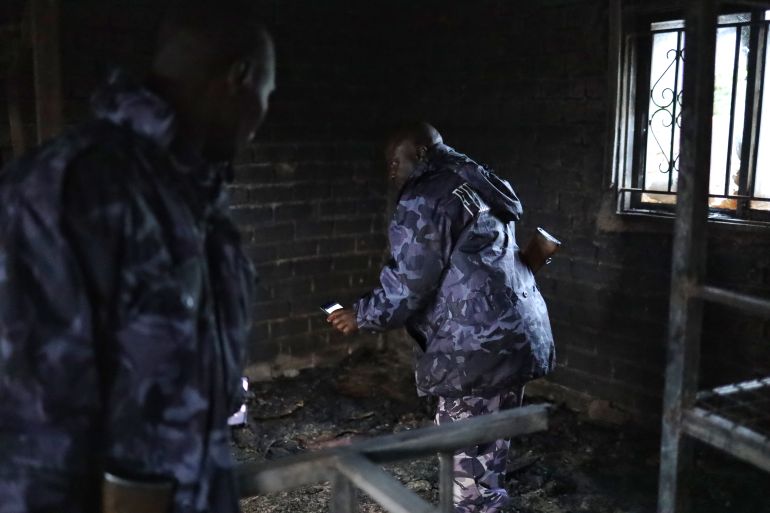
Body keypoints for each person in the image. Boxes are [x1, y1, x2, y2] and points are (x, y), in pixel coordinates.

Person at [0, 2, 275, 512]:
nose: (259, 120)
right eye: (266, 94)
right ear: (239, 78)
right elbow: (28, 441)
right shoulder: (67, 191)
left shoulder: (193, 199)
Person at [328, 122, 555, 513]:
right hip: (516, 334)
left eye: (394, 161)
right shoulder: (476, 179)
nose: (390, 172)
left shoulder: (428, 196)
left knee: (463, 463)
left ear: (419, 153)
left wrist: (361, 315)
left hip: (473, 346)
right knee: (490, 450)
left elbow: (409, 283)